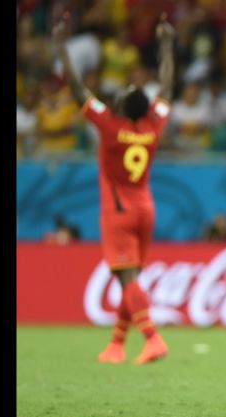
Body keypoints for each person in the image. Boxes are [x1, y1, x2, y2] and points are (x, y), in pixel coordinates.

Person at [53, 13, 175, 365]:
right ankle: (117, 345)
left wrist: (62, 46)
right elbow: (166, 88)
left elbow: (78, 90)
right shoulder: (153, 125)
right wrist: (166, 46)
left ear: (121, 107)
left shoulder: (108, 125)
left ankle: (152, 338)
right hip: (145, 209)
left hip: (118, 211)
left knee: (127, 277)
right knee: (130, 276)